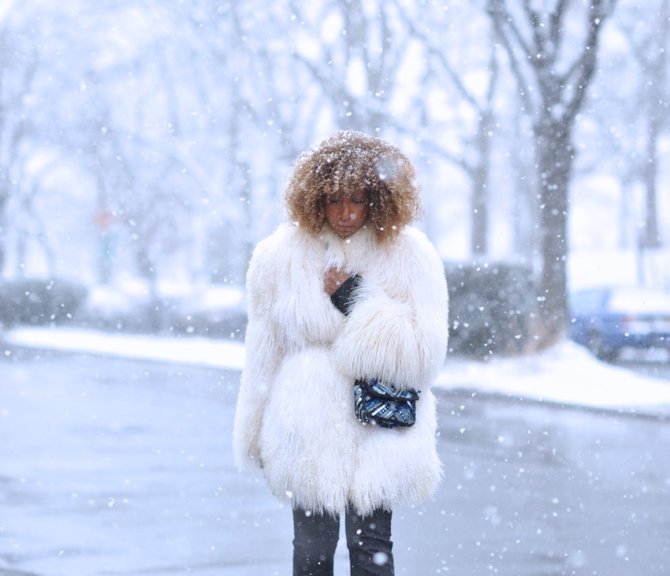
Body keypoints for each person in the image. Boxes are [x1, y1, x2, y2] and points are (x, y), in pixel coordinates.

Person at [233, 131, 449, 576]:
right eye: (333, 200)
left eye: (357, 199)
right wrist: (253, 431)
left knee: (372, 551)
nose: (346, 212)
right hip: (306, 425)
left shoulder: (411, 255)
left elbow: (425, 353)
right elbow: (263, 352)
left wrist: (355, 299)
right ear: (314, 199)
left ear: (378, 199)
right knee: (311, 553)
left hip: (379, 426)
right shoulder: (280, 256)